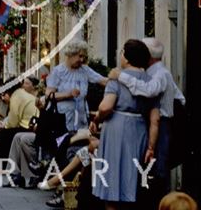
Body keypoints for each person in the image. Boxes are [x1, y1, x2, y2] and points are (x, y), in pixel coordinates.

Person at [107, 37, 185, 194]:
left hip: (162, 124)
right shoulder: (151, 73)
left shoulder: (160, 74)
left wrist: (121, 76)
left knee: (158, 167)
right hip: (155, 123)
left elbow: (149, 90)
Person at [90, 39, 160, 209]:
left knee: (112, 181)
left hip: (117, 129)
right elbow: (155, 119)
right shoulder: (150, 81)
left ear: (127, 58)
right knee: (134, 179)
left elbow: (106, 107)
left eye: (122, 52)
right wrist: (151, 146)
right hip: (140, 129)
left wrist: (97, 119)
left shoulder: (116, 78)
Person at [45, 39, 108, 132]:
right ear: (71, 54)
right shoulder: (58, 72)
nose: (82, 60)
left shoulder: (84, 70)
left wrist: (121, 78)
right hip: (62, 121)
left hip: (81, 122)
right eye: (80, 56)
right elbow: (48, 95)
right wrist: (68, 94)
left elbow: (103, 81)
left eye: (84, 57)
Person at [0, 79, 38, 174]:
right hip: (31, 124)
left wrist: (3, 127)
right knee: (4, 133)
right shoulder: (21, 94)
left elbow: (12, 121)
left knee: (2, 134)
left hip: (28, 126)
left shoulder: (16, 97)